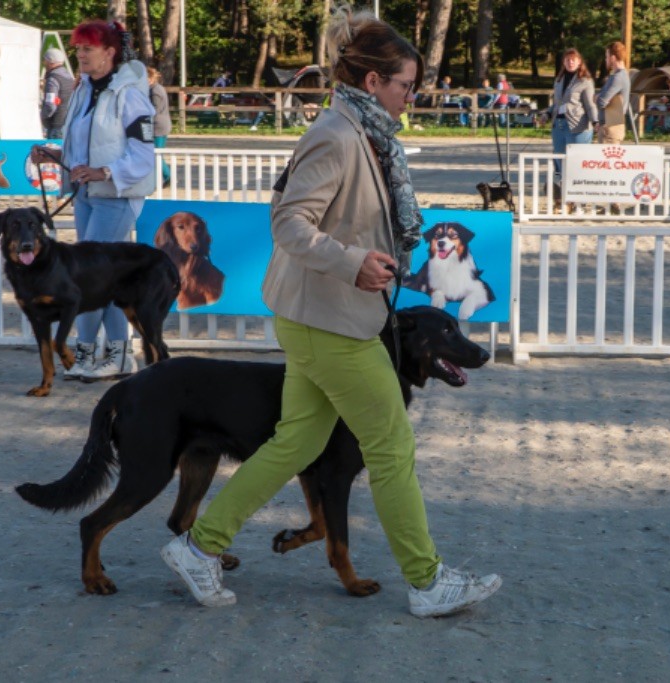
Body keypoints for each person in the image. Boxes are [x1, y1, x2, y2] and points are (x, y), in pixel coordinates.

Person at [160, 4, 502, 619]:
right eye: (405, 85)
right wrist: (351, 262)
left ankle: (200, 546)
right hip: (328, 317)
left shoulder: (361, 132)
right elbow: (289, 222)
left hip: (322, 314)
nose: (412, 97)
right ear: (373, 82)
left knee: (296, 441)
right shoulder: (337, 134)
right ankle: (427, 582)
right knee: (393, 445)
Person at [30, 20, 156, 381]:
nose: (80, 54)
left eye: (87, 48)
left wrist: (104, 172)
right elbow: (84, 145)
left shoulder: (130, 94)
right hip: (87, 194)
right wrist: (55, 154)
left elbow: (143, 157)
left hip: (116, 195)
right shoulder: (86, 89)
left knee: (86, 277)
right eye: (78, 48)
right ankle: (116, 355)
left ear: (110, 52)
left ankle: (87, 353)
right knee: (108, 279)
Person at [550, 48, 598, 211]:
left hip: (578, 126)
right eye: (567, 60)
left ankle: (580, 201)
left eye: (573, 60)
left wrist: (596, 121)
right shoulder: (559, 80)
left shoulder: (585, 81)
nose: (570, 62)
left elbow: (590, 105)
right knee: (559, 163)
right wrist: (547, 113)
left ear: (579, 62)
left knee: (577, 165)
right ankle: (562, 200)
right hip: (559, 125)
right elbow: (557, 104)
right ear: (564, 62)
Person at [595, 41, 630, 145]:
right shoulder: (619, 76)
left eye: (607, 57)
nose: (606, 60)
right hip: (608, 126)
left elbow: (601, 102)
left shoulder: (618, 78)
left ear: (613, 58)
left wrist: (597, 97)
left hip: (610, 129)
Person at [40, 48, 74, 139]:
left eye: (45, 60)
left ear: (50, 61)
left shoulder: (53, 79)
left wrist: (41, 117)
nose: (44, 63)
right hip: (68, 123)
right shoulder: (69, 77)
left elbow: (50, 105)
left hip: (56, 126)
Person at [147, 66, 172, 187]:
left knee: (156, 154)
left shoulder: (155, 91)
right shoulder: (157, 88)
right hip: (160, 124)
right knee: (155, 154)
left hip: (158, 126)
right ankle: (161, 177)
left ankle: (168, 176)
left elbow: (154, 109)